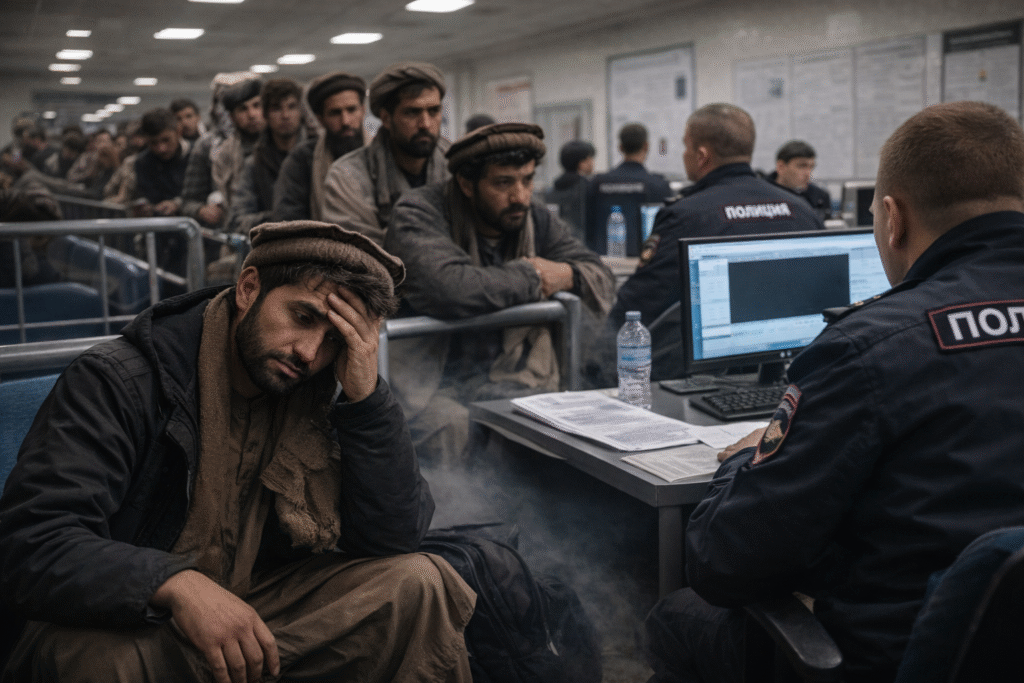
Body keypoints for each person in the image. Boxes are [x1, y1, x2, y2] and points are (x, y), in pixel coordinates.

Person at [639, 100, 1024, 683]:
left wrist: (751, 453)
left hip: (891, 659)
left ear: (893, 218)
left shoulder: (872, 346)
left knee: (674, 614)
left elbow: (727, 563)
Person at [0, 220, 476, 681]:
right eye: (303, 317)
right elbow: (32, 543)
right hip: (141, 617)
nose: (309, 353)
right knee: (96, 663)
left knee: (419, 583)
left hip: (258, 599)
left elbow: (391, 540)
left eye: (333, 340)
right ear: (249, 288)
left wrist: (367, 402)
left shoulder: (322, 392)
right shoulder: (120, 381)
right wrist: (174, 584)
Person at [384, 122, 615, 467]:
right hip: (431, 382)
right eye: (503, 183)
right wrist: (535, 275)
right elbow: (451, 289)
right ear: (466, 183)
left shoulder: (533, 217)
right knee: (451, 433)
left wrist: (567, 273)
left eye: (527, 179)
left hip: (508, 373)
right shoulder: (418, 213)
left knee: (547, 438)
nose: (520, 196)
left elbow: (600, 276)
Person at [609, 104, 824, 379]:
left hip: (708, 378)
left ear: (701, 156)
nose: (684, 155)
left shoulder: (686, 215)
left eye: (686, 147)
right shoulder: (802, 209)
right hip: (793, 375)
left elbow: (642, 301)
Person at [322, 62, 449, 247]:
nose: (425, 124)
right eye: (412, 112)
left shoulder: (456, 166)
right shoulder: (346, 177)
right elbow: (361, 256)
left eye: (433, 111)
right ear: (386, 119)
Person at [272, 71, 368, 223]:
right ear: (320, 119)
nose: (345, 121)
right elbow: (289, 220)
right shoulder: (303, 159)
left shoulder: (385, 153)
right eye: (335, 113)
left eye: (351, 110)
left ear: (362, 111)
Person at [179, 73, 264, 229]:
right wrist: (202, 210)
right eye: (242, 107)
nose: (251, 114)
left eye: (256, 105)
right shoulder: (207, 145)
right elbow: (188, 201)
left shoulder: (280, 141)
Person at [229, 79, 305, 235]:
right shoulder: (255, 163)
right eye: (276, 109)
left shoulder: (316, 157)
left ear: (300, 111)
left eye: (291, 107)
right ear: (265, 114)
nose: (285, 115)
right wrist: (280, 219)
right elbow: (238, 220)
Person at [587, 123, 672, 254]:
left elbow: (588, 226)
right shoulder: (658, 185)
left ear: (620, 148)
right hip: (644, 260)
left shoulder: (597, 182)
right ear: (646, 146)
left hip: (604, 260)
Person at [133, 107, 191, 217]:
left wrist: (177, 204)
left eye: (166, 140)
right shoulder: (142, 162)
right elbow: (146, 196)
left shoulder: (195, 155)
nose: (161, 149)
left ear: (178, 132)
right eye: (154, 143)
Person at [768, 139, 832, 221]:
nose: (808, 173)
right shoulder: (762, 193)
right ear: (781, 167)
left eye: (811, 167)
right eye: (802, 166)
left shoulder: (820, 197)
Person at [546, 139, 595, 241]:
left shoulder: (553, 188)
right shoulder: (588, 187)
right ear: (582, 163)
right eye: (590, 159)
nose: (593, 163)